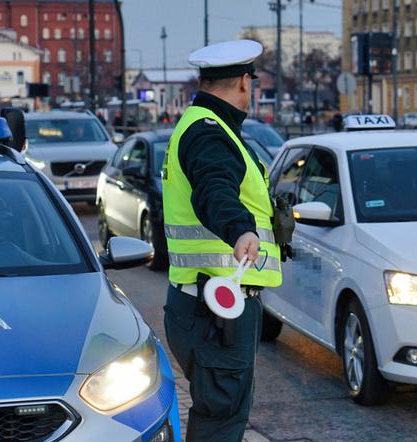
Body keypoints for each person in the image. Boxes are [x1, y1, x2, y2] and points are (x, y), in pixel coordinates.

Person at [160, 40, 285, 441]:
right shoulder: (209, 133)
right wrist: (241, 229)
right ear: (245, 82)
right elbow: (214, 189)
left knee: (221, 414)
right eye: (253, 79)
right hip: (216, 308)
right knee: (222, 421)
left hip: (204, 300)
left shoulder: (202, 125)